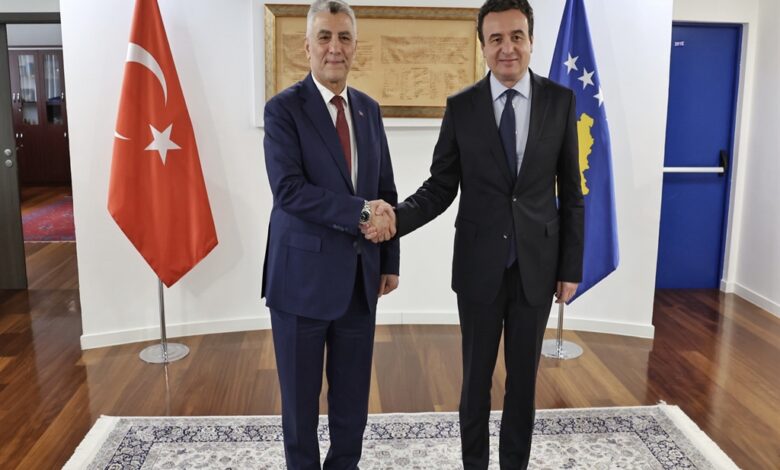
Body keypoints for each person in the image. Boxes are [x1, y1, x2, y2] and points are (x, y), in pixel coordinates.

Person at [364, 0, 584, 468]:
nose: (508, 48)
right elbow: (440, 187)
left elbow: (572, 192)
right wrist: (395, 219)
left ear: (531, 40)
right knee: (475, 382)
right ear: (482, 45)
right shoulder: (462, 108)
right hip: (479, 268)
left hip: (537, 268)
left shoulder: (560, 101)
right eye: (496, 38)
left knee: (523, 384)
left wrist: (571, 267)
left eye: (516, 36)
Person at [262, 0, 399, 468]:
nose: (334, 47)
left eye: (344, 37)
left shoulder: (368, 110)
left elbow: (385, 190)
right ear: (307, 46)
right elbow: (289, 191)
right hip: (299, 282)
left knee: (352, 404)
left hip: (360, 281)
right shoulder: (283, 110)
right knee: (300, 408)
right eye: (324, 37)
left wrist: (390, 261)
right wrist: (361, 213)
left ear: (355, 46)